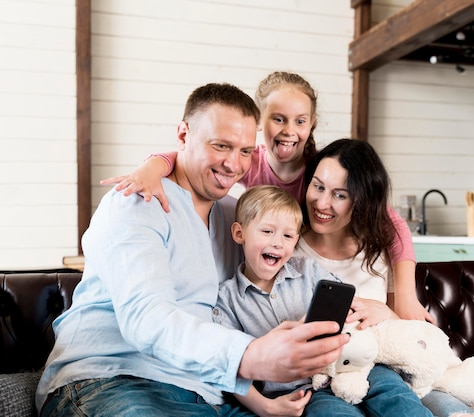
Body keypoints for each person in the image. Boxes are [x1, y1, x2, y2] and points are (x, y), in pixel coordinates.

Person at [35, 83, 350, 417]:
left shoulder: (237, 215)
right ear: (183, 135)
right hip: (113, 380)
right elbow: (147, 319)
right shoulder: (136, 203)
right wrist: (252, 355)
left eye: (245, 151)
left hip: (209, 392)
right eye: (221, 146)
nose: (234, 164)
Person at [100, 70, 433, 323]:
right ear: (260, 121)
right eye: (278, 119)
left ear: (312, 124)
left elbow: (390, 222)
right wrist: (152, 167)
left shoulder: (320, 172)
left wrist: (404, 294)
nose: (289, 130)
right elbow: (196, 157)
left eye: (300, 121)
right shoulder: (248, 161)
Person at [295, 138, 474, 417]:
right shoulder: (288, 245)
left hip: (384, 371)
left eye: (340, 194)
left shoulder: (381, 250)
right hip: (320, 379)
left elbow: (407, 332)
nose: (322, 203)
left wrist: (384, 312)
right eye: (318, 186)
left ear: (361, 200)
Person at [214, 184, 434, 417]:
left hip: (353, 366)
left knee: (395, 395)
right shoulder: (227, 301)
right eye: (267, 231)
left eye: (288, 235)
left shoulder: (308, 271)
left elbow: (348, 306)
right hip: (306, 391)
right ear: (239, 233)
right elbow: (228, 365)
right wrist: (263, 405)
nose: (278, 242)